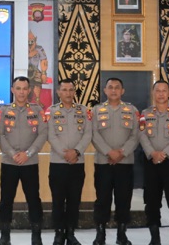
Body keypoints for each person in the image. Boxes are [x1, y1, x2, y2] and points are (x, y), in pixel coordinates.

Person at [0, 76, 47, 245]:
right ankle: (5, 236)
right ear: (12, 90)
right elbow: (0, 135)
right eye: (18, 88)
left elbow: (42, 134)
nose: (22, 92)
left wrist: (28, 153)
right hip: (9, 162)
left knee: (34, 199)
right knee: (6, 200)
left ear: (29, 90)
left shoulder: (37, 110)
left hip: (29, 162)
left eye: (25, 88)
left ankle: (36, 235)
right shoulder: (3, 110)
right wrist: (12, 153)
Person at [91, 78, 139, 245]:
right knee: (102, 200)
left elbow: (136, 135)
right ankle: (100, 234)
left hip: (124, 163)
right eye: (110, 87)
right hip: (103, 162)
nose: (113, 90)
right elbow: (94, 134)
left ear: (122, 91)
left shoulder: (132, 110)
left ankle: (121, 234)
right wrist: (109, 152)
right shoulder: (96, 110)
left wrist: (121, 153)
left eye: (117, 87)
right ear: (105, 90)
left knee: (124, 199)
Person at [139, 80, 169, 245]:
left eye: (164, 90)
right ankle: (155, 238)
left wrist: (164, 154)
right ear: (153, 93)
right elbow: (142, 135)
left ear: (168, 93)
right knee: (151, 202)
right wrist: (152, 153)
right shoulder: (145, 114)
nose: (160, 94)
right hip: (151, 163)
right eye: (157, 90)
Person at [47, 81, 92, 245]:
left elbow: (88, 134)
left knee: (74, 201)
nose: (68, 93)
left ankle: (71, 233)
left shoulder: (84, 111)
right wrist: (65, 153)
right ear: (58, 92)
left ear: (74, 92)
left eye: (71, 90)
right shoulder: (51, 111)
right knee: (58, 201)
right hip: (58, 163)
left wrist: (76, 152)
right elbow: (50, 135)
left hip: (77, 163)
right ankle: (59, 233)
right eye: (64, 90)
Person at [27, 31, 48, 105]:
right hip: (24, 70)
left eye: (32, 41)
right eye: (28, 41)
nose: (30, 43)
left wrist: (44, 73)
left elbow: (44, 61)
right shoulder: (21, 48)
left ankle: (37, 99)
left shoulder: (39, 48)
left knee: (38, 81)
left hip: (35, 69)